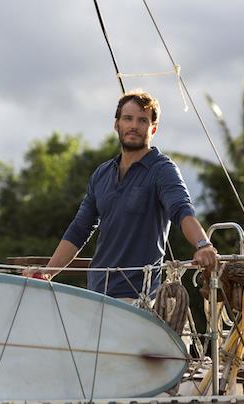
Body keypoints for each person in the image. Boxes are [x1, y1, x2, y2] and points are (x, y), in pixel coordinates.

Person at [24, 90, 217, 299]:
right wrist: (47, 273)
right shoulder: (102, 174)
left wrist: (203, 244)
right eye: (128, 118)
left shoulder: (163, 170)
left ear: (153, 128)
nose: (134, 125)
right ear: (116, 124)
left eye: (142, 120)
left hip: (138, 298)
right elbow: (80, 229)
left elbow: (181, 210)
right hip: (96, 293)